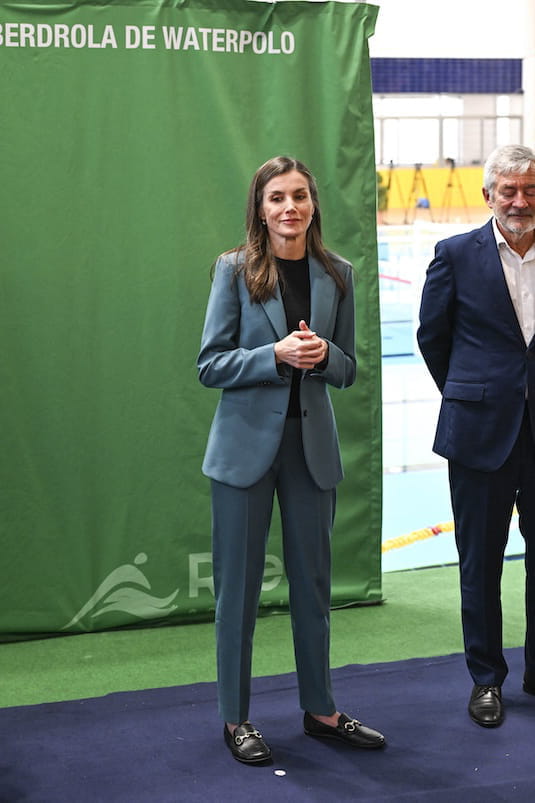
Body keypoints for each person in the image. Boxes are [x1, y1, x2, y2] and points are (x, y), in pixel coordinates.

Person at [197, 156, 385, 763]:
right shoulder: (233, 270)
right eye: (277, 197)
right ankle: (236, 719)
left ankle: (321, 711)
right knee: (237, 593)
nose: (290, 207)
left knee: (313, 588)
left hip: (312, 452)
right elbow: (210, 364)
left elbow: (348, 369)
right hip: (243, 453)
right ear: (260, 208)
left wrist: (322, 353)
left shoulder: (339, 273)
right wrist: (273, 355)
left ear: (313, 204)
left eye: (299, 195)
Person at [417, 144, 535, 728]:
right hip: (479, 431)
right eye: (508, 190)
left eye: (529, 189)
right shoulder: (456, 255)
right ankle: (486, 679)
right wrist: (470, 394)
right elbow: (431, 337)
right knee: (480, 563)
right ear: (488, 195)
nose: (519, 200)